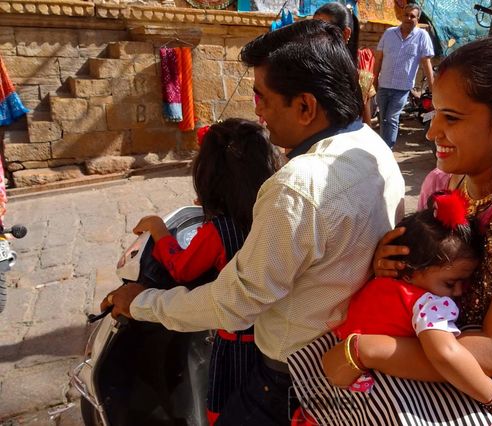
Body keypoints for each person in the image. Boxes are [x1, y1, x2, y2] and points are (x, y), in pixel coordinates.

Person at [101, 19, 405, 425]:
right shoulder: (373, 147)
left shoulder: (298, 186)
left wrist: (142, 303)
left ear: (305, 107)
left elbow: (234, 303)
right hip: (341, 356)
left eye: (262, 98)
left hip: (291, 377)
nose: (257, 110)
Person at [292, 37, 492, 426]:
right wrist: (398, 266)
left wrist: (364, 350)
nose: (431, 132)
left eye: (452, 118)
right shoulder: (450, 183)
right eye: (435, 112)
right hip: (433, 346)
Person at [130, 118, 280, 424]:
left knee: (226, 410)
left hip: (236, 342)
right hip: (272, 338)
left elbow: (181, 269)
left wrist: (159, 229)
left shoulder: (218, 230)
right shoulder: (273, 212)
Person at [328, 191, 492, 418]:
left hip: (350, 396)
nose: (458, 292)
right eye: (450, 283)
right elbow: (445, 353)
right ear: (410, 272)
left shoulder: (378, 282)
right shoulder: (429, 303)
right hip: (398, 402)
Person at [373, 3, 435, 148]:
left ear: (417, 19)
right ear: (401, 16)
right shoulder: (389, 33)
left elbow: (426, 63)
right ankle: (383, 147)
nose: (408, 18)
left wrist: (433, 89)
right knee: (383, 118)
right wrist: (374, 80)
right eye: (406, 15)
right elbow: (379, 57)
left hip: (402, 87)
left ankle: (388, 148)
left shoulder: (422, 36)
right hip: (384, 84)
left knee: (392, 118)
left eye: (412, 16)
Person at [313, 2, 376, 126]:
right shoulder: (305, 72)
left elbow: (365, 127)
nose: (315, 36)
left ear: (345, 34)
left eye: (324, 30)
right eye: (313, 29)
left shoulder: (361, 80)